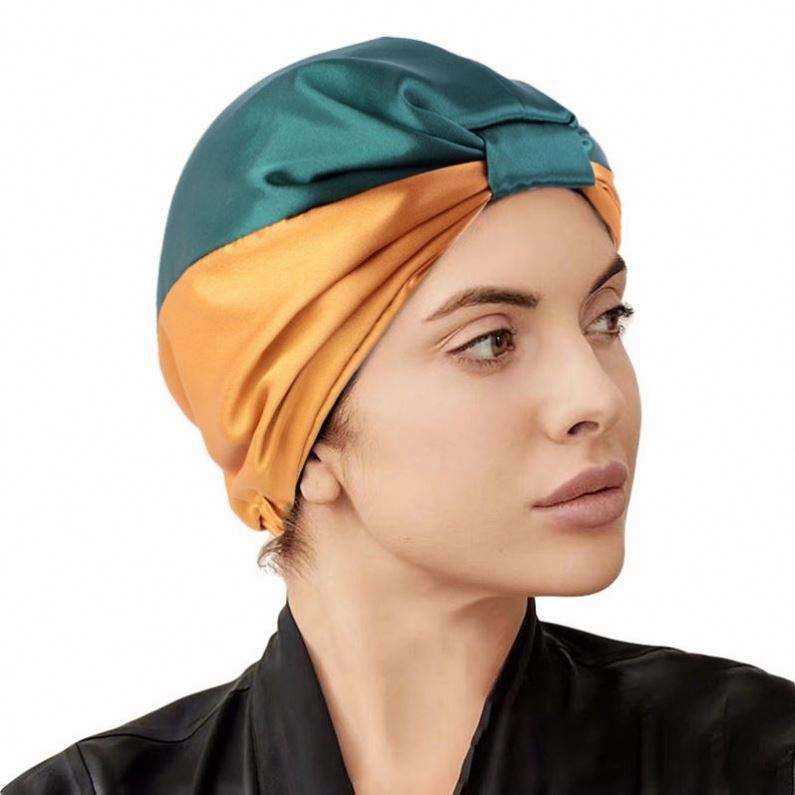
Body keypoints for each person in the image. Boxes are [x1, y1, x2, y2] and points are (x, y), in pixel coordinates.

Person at [4, 35, 795, 795]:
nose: (597, 397)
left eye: (605, 319)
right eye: (490, 342)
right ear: (305, 438)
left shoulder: (754, 760)